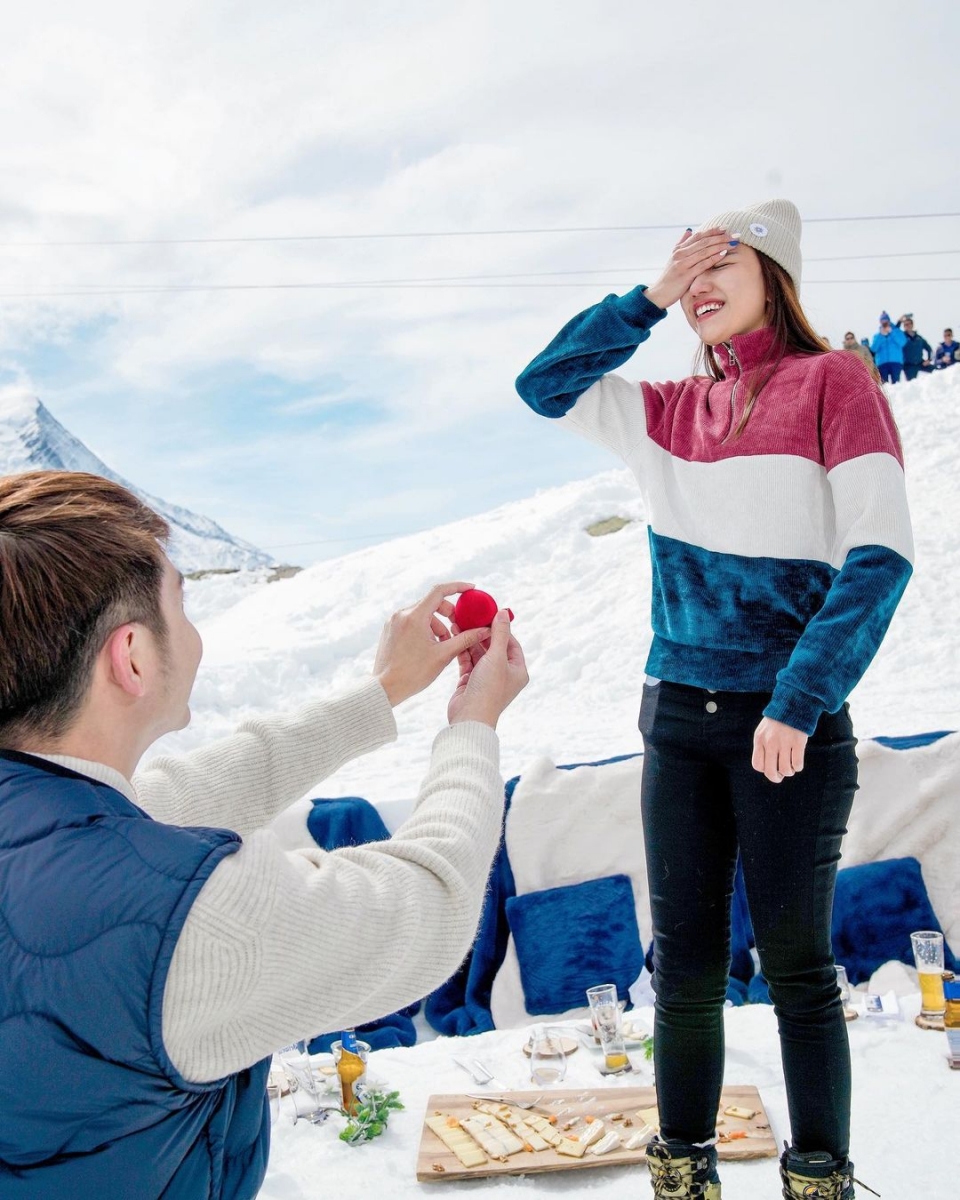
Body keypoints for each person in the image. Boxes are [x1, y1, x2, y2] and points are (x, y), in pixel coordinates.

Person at [515, 199, 913, 1200]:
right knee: (684, 971)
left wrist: (800, 698)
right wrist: (644, 297)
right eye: (684, 268)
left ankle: (817, 1179)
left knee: (796, 971)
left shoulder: (835, 383)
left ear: (774, 273)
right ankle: (682, 1176)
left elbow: (880, 557)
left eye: (718, 263)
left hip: (788, 726)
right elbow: (542, 385)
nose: (696, 283)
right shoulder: (664, 411)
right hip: (677, 723)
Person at [0, 471, 528, 1198]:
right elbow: (431, 902)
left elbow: (185, 795)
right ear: (132, 657)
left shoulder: (44, 815)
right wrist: (474, 726)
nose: (193, 631)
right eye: (180, 604)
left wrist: (382, 694)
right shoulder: (194, 918)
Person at [870, 310, 907, 384]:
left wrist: (891, 332)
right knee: (884, 386)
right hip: (882, 363)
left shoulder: (897, 331)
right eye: (882, 322)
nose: (884, 323)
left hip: (895, 361)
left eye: (886, 321)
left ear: (889, 321)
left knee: (896, 384)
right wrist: (881, 335)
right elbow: (873, 349)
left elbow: (903, 342)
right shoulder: (877, 336)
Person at [896, 314, 933, 379]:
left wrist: (929, 359)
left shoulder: (919, 338)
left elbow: (929, 348)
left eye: (909, 324)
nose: (908, 326)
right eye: (906, 325)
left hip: (920, 363)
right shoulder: (902, 337)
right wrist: (899, 321)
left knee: (936, 370)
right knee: (912, 384)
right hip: (909, 366)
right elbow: (895, 331)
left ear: (912, 325)